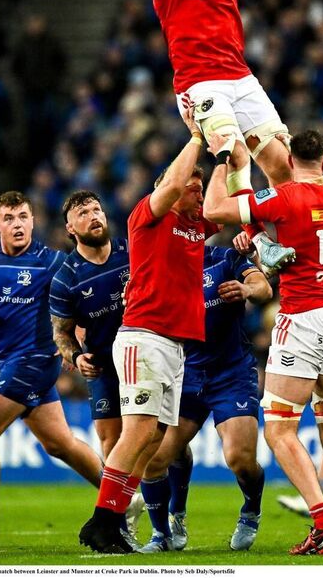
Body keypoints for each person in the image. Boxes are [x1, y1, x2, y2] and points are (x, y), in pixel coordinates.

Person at [203, 128, 323, 555]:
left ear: (289, 160)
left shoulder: (285, 198)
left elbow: (214, 210)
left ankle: (322, 522)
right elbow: (294, 235)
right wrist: (260, 236)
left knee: (279, 430)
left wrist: (226, 162)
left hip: (304, 316)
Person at [146, 0, 294, 276]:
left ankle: (293, 234)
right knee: (234, 151)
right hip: (199, 84)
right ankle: (258, 240)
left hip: (241, 78)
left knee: (283, 163)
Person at [78, 115, 212, 554]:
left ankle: (112, 518)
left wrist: (233, 153)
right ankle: (103, 523)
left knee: (153, 440)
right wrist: (197, 137)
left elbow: (225, 203)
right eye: (193, 184)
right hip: (144, 336)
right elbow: (171, 184)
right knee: (135, 434)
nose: (199, 190)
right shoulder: (147, 216)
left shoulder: (195, 226)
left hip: (174, 345)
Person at [0, 191, 106, 547]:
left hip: (35, 359)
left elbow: (79, 303)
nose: (17, 225)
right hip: (11, 361)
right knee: (60, 444)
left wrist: (75, 344)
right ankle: (125, 498)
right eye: (9, 218)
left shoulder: (52, 261)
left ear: (33, 221)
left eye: (22, 217)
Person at [135, 235, 272, 552]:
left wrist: (247, 290)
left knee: (239, 459)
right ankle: (166, 529)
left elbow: (264, 288)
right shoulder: (157, 269)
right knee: (155, 459)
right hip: (185, 373)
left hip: (232, 373)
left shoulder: (225, 258)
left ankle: (251, 509)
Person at [48, 190, 145, 538]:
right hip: (104, 365)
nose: (94, 216)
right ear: (70, 228)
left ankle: (163, 514)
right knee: (110, 438)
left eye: (97, 209)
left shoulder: (132, 250)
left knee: (152, 439)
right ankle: (123, 513)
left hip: (145, 356)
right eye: (83, 213)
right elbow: (61, 332)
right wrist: (77, 356)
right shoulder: (66, 278)